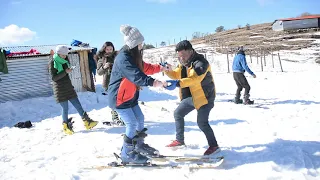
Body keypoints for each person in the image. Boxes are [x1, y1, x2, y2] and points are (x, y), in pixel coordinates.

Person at [107, 24, 168, 164]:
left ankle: (138, 145)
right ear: (134, 43)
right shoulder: (123, 58)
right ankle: (126, 154)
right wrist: (154, 83)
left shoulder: (132, 55)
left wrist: (161, 67)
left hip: (130, 96)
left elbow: (144, 67)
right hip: (119, 98)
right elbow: (136, 75)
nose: (142, 45)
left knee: (140, 118)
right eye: (140, 42)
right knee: (131, 123)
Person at [163, 40, 220, 156]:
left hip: (205, 98)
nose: (181, 58)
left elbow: (195, 79)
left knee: (202, 123)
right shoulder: (184, 63)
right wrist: (167, 70)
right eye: (179, 56)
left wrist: (177, 83)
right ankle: (179, 140)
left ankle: (214, 146)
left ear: (191, 51)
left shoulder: (201, 63)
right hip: (192, 97)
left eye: (183, 55)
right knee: (178, 114)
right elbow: (176, 75)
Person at [49, 45, 98, 135]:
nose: (65, 56)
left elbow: (65, 72)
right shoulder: (53, 62)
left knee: (78, 105)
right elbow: (54, 78)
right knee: (65, 108)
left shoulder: (64, 60)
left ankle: (87, 122)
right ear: (58, 54)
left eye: (66, 55)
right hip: (59, 89)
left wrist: (69, 69)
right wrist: (65, 72)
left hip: (68, 86)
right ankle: (66, 126)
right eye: (63, 55)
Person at [96, 41, 123, 125]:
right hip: (109, 82)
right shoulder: (101, 59)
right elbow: (99, 72)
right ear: (104, 49)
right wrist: (105, 67)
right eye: (107, 49)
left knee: (122, 99)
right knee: (114, 100)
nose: (109, 51)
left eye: (111, 49)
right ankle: (115, 117)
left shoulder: (117, 56)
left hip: (119, 80)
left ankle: (123, 117)